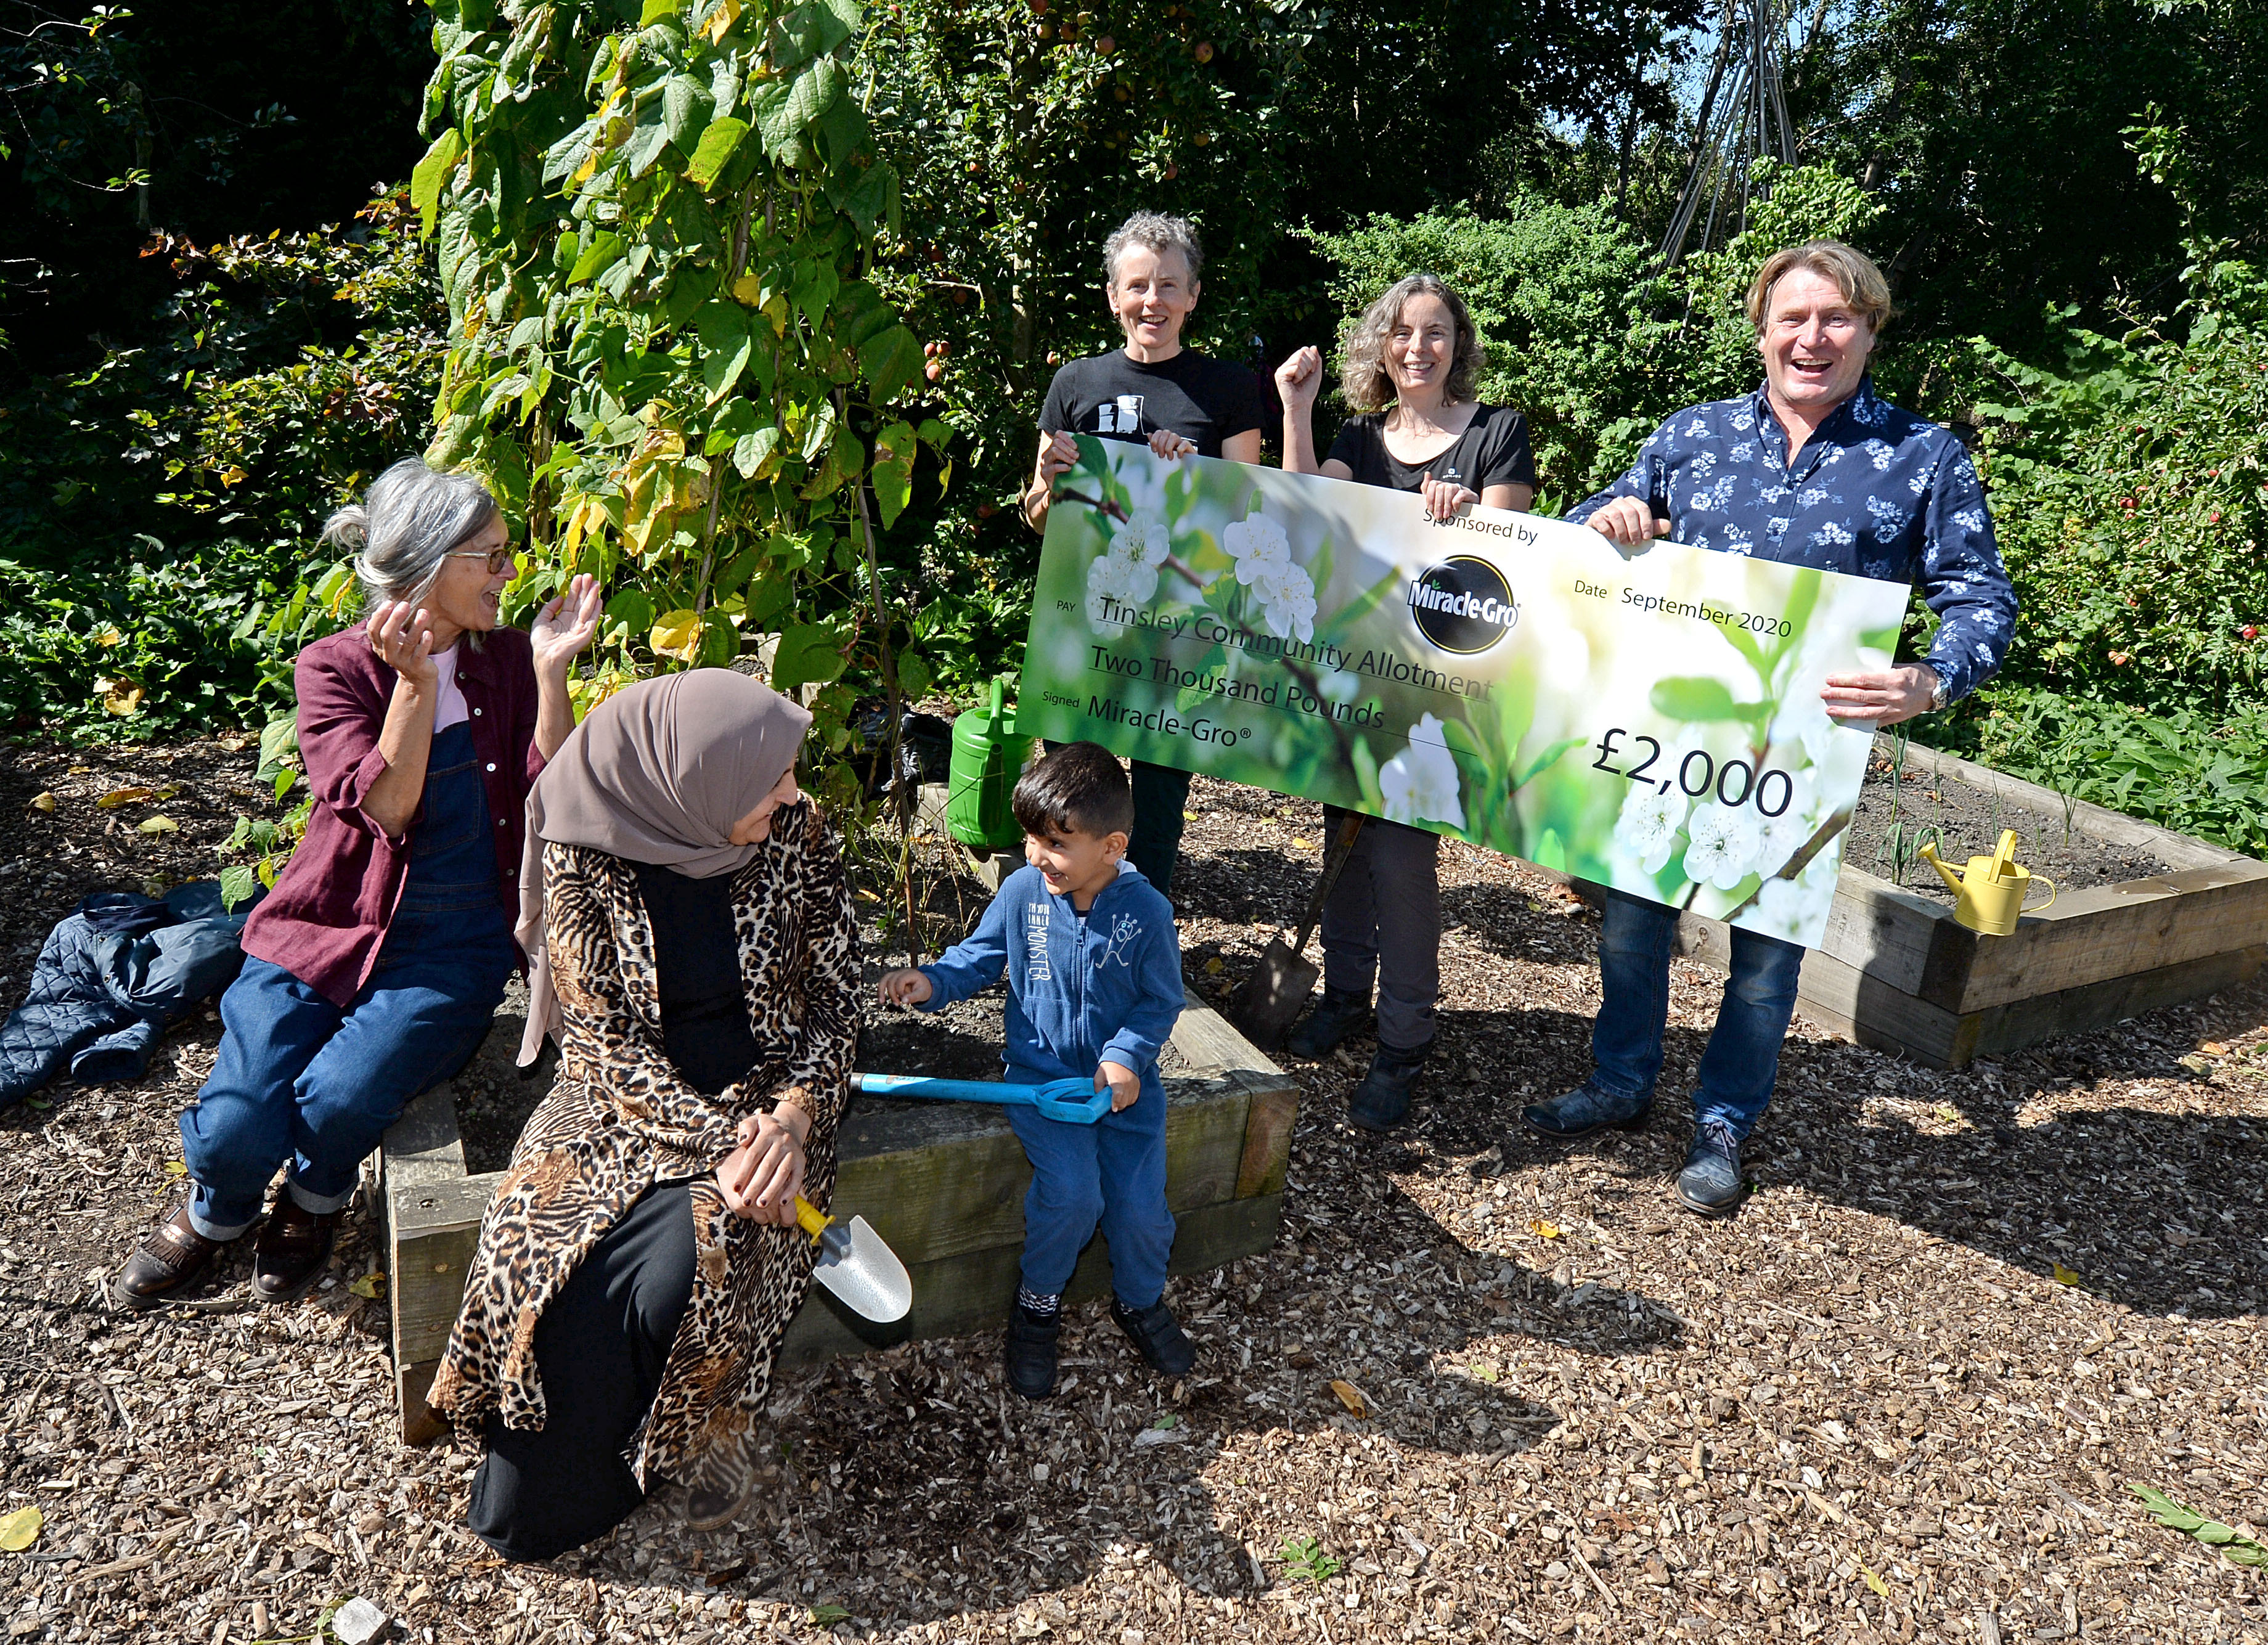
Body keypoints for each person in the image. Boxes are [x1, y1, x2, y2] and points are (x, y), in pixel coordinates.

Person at [1525, 238, 2018, 1214]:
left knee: (1764, 956)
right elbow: (1585, 537)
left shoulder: (1923, 459)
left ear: (1871, 330)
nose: (1813, 336)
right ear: (1761, 332)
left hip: (1805, 753)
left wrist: (1929, 679)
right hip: (1668, 735)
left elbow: (1983, 603)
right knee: (1631, 923)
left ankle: (1724, 1121)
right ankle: (1621, 1082)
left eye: (1837, 318)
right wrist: (1611, 514)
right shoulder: (1692, 437)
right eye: (1792, 318)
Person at [116, 459, 601, 1307]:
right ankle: (217, 1208)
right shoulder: (334, 669)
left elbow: (551, 792)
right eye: (489, 557)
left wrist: (554, 673)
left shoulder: (511, 660)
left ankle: (315, 1199)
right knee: (236, 1128)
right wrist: (415, 686)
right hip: (325, 924)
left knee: (339, 1103)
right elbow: (388, 808)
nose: (510, 573)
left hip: (450, 945)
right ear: (428, 561)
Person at [428, 669, 859, 1558]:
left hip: (772, 1099)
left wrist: (790, 1120)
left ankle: (696, 1436)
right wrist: (726, 1142)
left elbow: (838, 1005)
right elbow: (601, 1044)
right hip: (619, 1106)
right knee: (529, 1237)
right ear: (692, 776)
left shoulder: (798, 830)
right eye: (770, 777)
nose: (790, 792)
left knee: (698, 1259)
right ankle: (543, 1476)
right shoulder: (586, 842)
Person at [1273, 273, 1538, 1131]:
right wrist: (1296, 405)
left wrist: (1469, 519)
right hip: (1353, 675)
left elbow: (1513, 563)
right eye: (1400, 334)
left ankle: (1405, 1037)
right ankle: (1347, 993)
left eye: (1434, 332)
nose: (1417, 348)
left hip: (1439, 690)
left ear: (1459, 344)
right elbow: (1307, 509)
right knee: (1340, 841)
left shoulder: (1497, 435)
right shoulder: (1360, 435)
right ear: (1380, 349)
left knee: (1399, 857)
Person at [878, 743, 1189, 1400]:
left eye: (1053, 841)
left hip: (1121, 1094)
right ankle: (1037, 1305)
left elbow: (1160, 999)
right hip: (1041, 1082)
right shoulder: (1024, 891)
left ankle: (1136, 1301)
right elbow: (980, 956)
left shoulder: (1147, 913)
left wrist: (1126, 1054)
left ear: (1111, 847)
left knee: (1140, 1213)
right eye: (1030, 836)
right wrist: (931, 980)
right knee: (1071, 1198)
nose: (1034, 854)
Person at [1024, 210, 1267, 898]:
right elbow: (1038, 520)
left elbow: (1248, 523)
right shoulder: (1073, 385)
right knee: (1072, 795)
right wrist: (1049, 483)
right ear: (1112, 296)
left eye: (1168, 285)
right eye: (1136, 286)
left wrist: (1196, 482)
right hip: (1083, 626)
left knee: (1157, 810)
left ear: (1192, 295)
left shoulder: (1227, 389)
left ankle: (1141, 929)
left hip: (1178, 631)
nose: (1150, 301)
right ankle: (1069, 918)